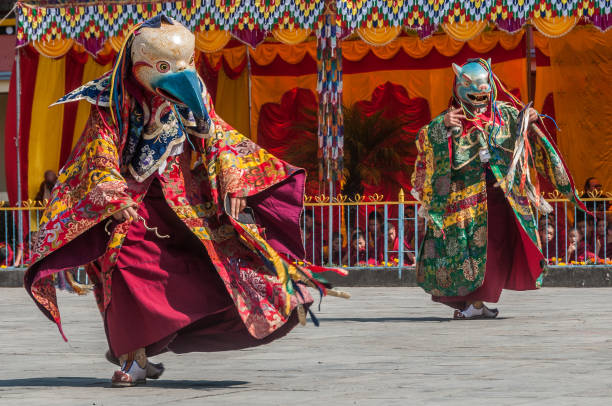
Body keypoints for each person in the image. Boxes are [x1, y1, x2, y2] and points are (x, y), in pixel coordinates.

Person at [25, 15, 347, 387]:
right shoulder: (110, 98)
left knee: (214, 269)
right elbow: (99, 152)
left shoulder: (193, 91)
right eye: (164, 68)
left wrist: (232, 178)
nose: (177, 74)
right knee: (126, 270)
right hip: (134, 204)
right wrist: (113, 194)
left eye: (185, 64)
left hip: (185, 202)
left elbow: (218, 138)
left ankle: (275, 301)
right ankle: (135, 359)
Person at [411, 58, 587, 319]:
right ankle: (472, 303)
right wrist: (442, 127)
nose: (479, 95)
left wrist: (531, 116)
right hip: (463, 203)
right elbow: (423, 140)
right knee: (463, 252)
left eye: (484, 87)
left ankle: (478, 304)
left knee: (493, 249)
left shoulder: (503, 114)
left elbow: (524, 123)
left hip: (499, 199)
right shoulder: (451, 118)